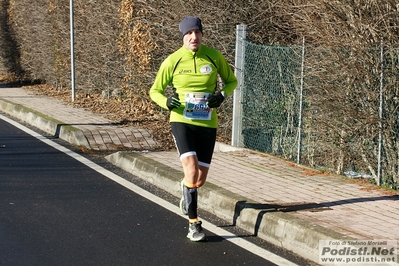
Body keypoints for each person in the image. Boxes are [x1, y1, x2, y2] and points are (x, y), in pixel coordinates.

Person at [149, 16, 238, 242]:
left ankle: (187, 190)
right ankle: (194, 224)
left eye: (197, 33)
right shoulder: (173, 60)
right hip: (181, 120)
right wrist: (167, 102)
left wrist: (221, 96)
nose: (193, 37)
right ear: (183, 37)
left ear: (202, 34)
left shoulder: (213, 56)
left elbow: (231, 81)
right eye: (188, 34)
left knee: (198, 180)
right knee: (190, 169)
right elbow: (155, 91)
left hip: (207, 122)